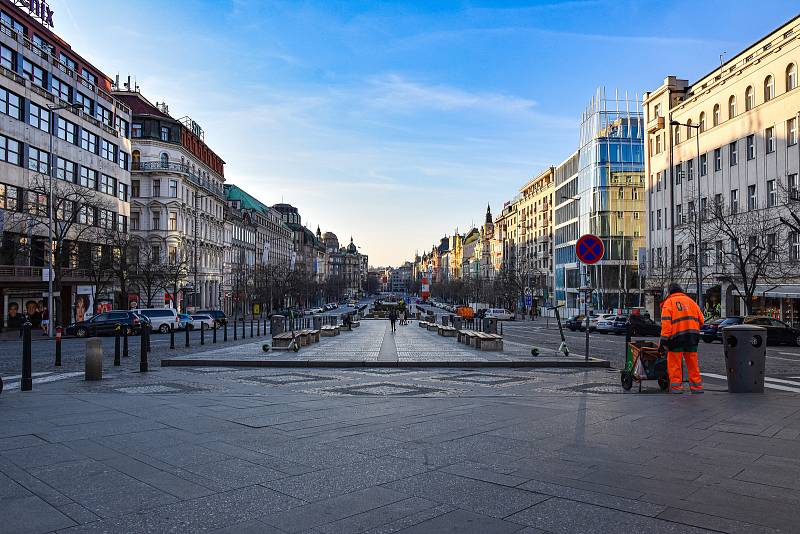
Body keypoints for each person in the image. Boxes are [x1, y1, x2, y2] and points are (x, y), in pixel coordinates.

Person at [659, 283, 705, 394]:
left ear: (670, 292)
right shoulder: (691, 302)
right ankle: (696, 387)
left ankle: (676, 387)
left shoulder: (669, 303)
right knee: (693, 363)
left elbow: (666, 325)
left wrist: (663, 341)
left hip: (676, 338)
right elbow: (702, 320)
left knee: (675, 364)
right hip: (692, 337)